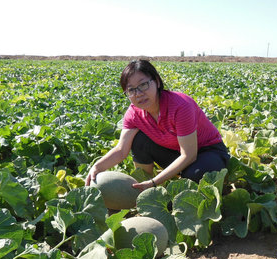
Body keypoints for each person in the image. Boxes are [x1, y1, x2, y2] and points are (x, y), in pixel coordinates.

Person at [85, 59, 230, 190]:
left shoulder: (180, 105)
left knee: (195, 175)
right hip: (176, 152)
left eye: (143, 84)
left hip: (207, 151)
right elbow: (121, 150)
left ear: (157, 82)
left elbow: (189, 155)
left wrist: (155, 182)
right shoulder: (133, 114)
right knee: (138, 141)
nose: (139, 93)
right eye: (131, 90)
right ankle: (142, 187)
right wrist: (97, 167)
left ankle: (156, 183)